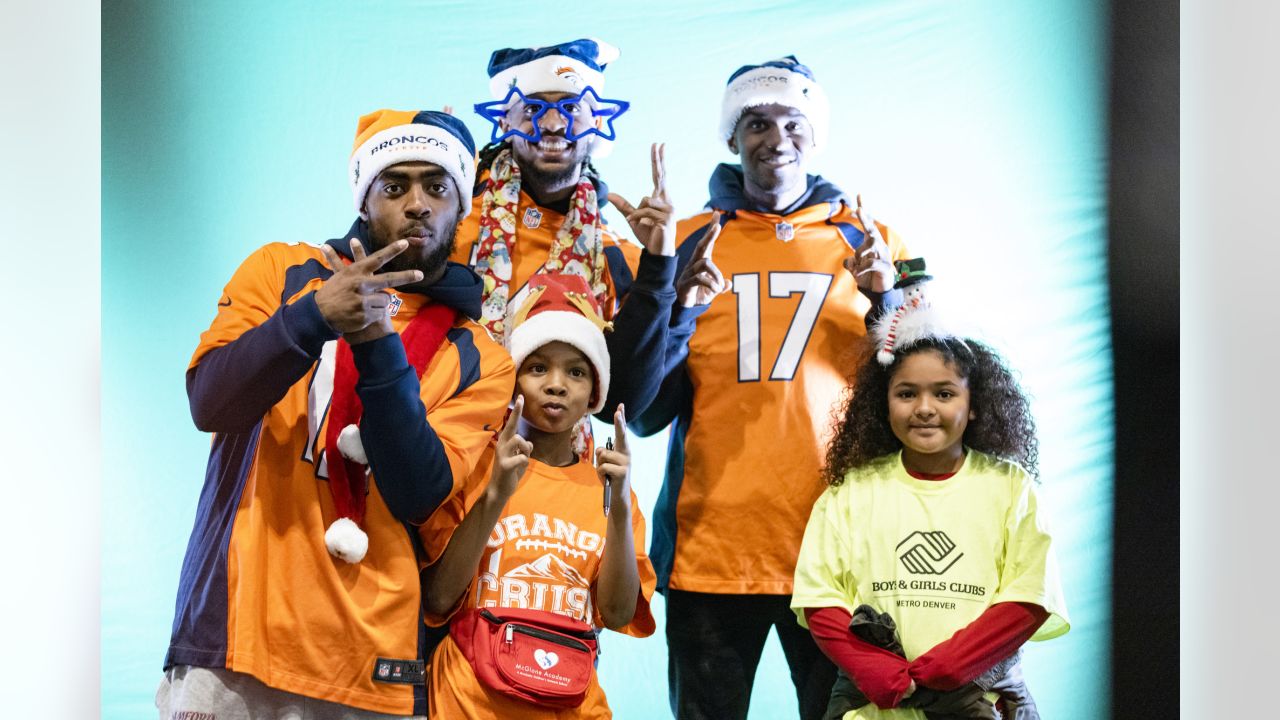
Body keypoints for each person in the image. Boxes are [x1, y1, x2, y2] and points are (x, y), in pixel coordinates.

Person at [157, 109, 515, 718]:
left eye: (437, 186)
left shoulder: (481, 355)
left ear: (462, 205)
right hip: (238, 644)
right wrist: (311, 317)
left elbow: (418, 493)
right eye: (394, 186)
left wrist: (376, 343)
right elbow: (210, 403)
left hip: (370, 665)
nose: (418, 204)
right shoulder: (282, 272)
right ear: (364, 199)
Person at [630, 56, 912, 720]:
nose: (775, 138)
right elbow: (644, 414)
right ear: (732, 137)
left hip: (836, 554)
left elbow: (925, 396)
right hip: (712, 550)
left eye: (792, 121)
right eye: (755, 122)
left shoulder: (871, 241)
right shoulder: (687, 241)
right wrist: (677, 308)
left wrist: (887, 299)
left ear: (816, 136)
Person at [790, 287, 1070, 719]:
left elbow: (1029, 596)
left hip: (979, 702)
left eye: (944, 394)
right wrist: (876, 668)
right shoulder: (850, 492)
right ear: (883, 404)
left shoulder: (1010, 488)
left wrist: (952, 665)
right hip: (875, 706)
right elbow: (820, 598)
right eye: (906, 394)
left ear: (973, 405)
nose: (924, 408)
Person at [420, 273, 657, 719]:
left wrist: (620, 508)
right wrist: (495, 494)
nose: (556, 384)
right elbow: (437, 599)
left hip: (571, 706)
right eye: (537, 367)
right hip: (467, 704)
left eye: (576, 372)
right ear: (513, 380)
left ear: (594, 396)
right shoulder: (473, 466)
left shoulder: (609, 490)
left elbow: (618, 611)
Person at [460, 37, 680, 418]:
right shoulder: (450, 218)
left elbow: (620, 402)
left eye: (570, 108)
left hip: (556, 468)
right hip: (447, 455)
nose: (551, 124)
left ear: (596, 122)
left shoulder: (614, 258)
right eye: (532, 108)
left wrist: (659, 270)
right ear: (504, 120)